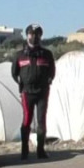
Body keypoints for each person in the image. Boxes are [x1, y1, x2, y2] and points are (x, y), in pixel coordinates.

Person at [11, 23, 56, 160]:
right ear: (27, 36)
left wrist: (48, 80)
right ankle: (24, 150)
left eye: (37, 34)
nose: (34, 37)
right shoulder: (20, 55)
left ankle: (40, 150)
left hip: (42, 92)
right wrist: (21, 83)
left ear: (41, 36)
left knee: (41, 121)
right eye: (31, 34)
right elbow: (14, 73)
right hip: (27, 92)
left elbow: (52, 71)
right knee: (27, 120)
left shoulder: (47, 54)